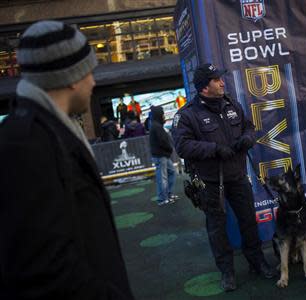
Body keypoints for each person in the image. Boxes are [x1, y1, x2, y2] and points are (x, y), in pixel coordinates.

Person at [0, 20, 134, 299]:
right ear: (72, 77)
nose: (94, 82)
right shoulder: (25, 145)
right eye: (90, 72)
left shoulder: (43, 130)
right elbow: (44, 269)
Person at [172, 63, 274, 292]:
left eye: (221, 78)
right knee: (217, 229)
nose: (222, 82)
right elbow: (182, 146)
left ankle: (257, 262)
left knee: (248, 221)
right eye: (216, 79)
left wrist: (249, 138)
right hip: (210, 183)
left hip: (238, 176)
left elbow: (249, 126)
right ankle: (227, 272)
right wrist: (214, 149)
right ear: (204, 88)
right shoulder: (187, 114)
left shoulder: (232, 104)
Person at [149, 105, 178, 206]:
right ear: (159, 115)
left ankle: (168, 195)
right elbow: (163, 141)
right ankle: (163, 198)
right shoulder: (156, 126)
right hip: (161, 155)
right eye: (163, 114)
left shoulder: (156, 125)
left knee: (171, 173)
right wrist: (169, 149)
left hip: (162, 155)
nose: (164, 116)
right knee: (163, 177)